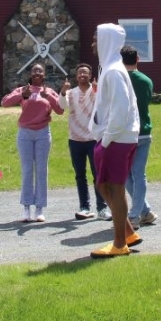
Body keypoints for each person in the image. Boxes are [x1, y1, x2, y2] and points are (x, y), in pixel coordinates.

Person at [89, 24, 142, 258]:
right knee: (102, 185)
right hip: (116, 137)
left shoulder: (113, 71)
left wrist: (107, 139)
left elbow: (121, 109)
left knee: (114, 188)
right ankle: (128, 232)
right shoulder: (110, 68)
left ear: (106, 41)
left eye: (96, 38)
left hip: (117, 138)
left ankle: (119, 244)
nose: (93, 43)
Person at [1, 63, 64, 222]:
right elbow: (4, 102)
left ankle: (40, 208)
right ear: (30, 74)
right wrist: (22, 95)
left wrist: (47, 96)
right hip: (25, 133)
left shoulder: (49, 91)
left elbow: (60, 110)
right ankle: (26, 208)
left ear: (44, 74)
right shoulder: (24, 90)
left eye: (40, 71)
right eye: (34, 70)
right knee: (27, 169)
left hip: (43, 132)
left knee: (42, 170)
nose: (37, 73)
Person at [59, 63, 109, 220]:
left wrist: (96, 90)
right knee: (80, 175)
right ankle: (85, 207)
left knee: (98, 174)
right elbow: (61, 106)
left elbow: (104, 105)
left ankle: (102, 208)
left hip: (93, 139)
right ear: (76, 76)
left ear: (90, 75)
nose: (82, 75)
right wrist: (62, 91)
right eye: (79, 73)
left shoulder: (95, 91)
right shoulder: (71, 93)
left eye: (85, 73)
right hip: (75, 139)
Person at [121, 45, 158, 229]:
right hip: (143, 131)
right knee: (138, 174)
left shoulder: (118, 80)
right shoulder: (146, 80)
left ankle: (134, 216)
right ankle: (144, 212)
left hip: (125, 133)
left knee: (127, 175)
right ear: (138, 59)